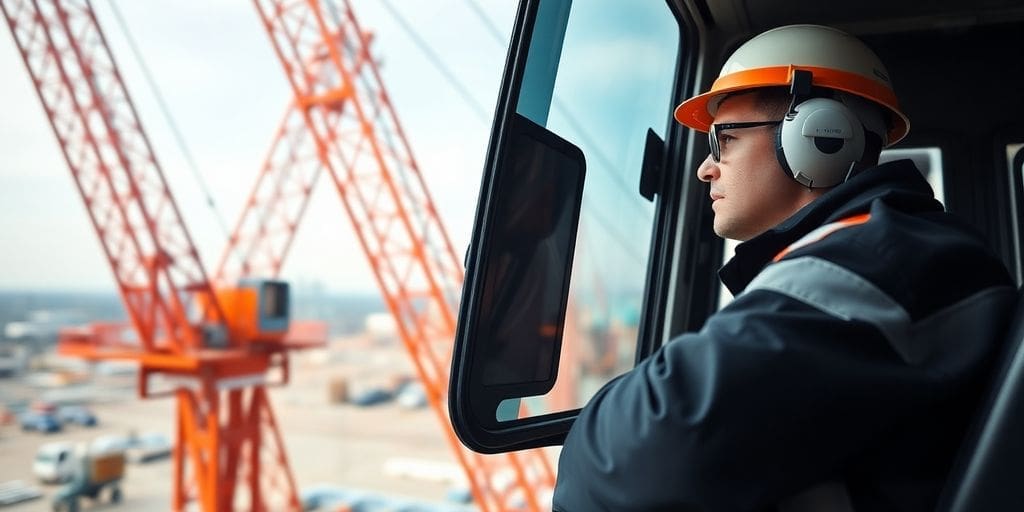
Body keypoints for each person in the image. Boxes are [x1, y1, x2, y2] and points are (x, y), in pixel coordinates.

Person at [551, 24, 1016, 511]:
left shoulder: (871, 262)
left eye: (724, 140)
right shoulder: (900, 248)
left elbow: (643, 458)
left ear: (818, 135)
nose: (705, 168)